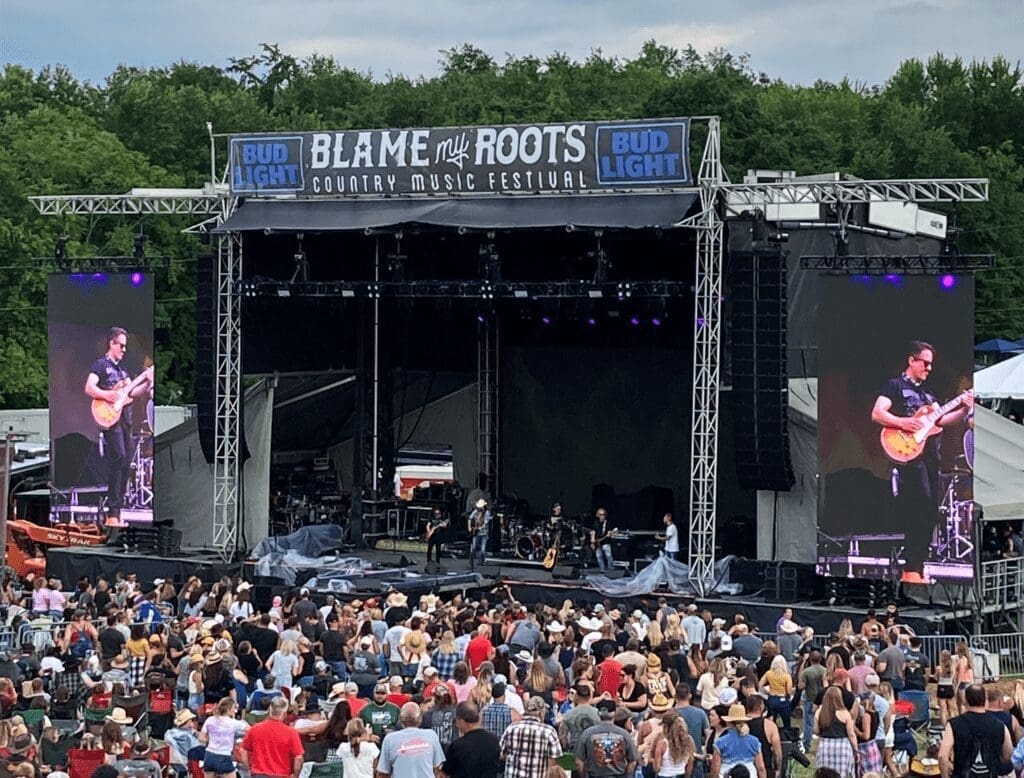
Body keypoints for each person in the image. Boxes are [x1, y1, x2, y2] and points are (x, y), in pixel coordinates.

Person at [870, 340, 973, 581]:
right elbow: (877, 413)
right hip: (908, 453)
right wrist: (904, 422)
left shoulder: (928, 396)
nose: (929, 368)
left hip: (929, 456)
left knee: (930, 509)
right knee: (920, 502)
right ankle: (912, 566)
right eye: (925, 363)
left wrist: (963, 409)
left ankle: (917, 565)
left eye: (931, 365)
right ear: (911, 360)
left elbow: (940, 422)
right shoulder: (894, 386)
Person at [83, 326, 153, 525]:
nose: (123, 349)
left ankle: (117, 508)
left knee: (125, 463)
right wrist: (107, 395)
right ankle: (112, 511)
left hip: (125, 420)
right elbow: (89, 387)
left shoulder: (123, 371)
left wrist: (147, 383)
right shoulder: (101, 365)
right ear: (111, 343)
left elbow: (132, 393)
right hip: (110, 419)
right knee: (119, 457)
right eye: (120, 345)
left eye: (125, 346)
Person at [938, 684, 1011, 778]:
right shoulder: (1000, 725)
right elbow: (1008, 754)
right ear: (985, 701)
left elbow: (942, 756)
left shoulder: (953, 724)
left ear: (966, 701)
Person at [238, 696, 304, 778]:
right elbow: (299, 758)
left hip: (258, 774)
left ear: (270, 710)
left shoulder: (255, 729)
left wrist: (249, 768)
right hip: (281, 775)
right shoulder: (291, 733)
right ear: (284, 713)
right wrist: (295, 775)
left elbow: (242, 750)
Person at [378, 702, 446, 778]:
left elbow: (383, 773)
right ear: (420, 718)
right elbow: (436, 767)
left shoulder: (390, 739)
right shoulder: (431, 735)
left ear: (400, 719)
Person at [500, 696, 562, 778]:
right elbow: (553, 762)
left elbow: (502, 755)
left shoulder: (511, 728)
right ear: (541, 713)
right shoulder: (549, 732)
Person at [576, 701, 640, 778]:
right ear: (615, 713)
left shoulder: (587, 734)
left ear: (598, 713)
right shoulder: (624, 734)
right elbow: (633, 762)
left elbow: (579, 762)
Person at [444, 701, 502, 778]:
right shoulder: (494, 740)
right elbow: (500, 765)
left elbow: (447, 770)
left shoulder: (458, 746)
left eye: (457, 722)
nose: (457, 725)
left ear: (462, 721)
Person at [813, 687, 858, 778]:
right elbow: (851, 734)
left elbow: (816, 731)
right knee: (843, 773)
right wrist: (856, 750)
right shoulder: (845, 713)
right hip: (842, 745)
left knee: (825, 773)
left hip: (825, 745)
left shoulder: (819, 712)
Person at [711, 704, 766, 778]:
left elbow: (715, 770)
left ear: (728, 722)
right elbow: (761, 768)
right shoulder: (754, 741)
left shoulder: (720, 742)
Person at [199, 697, 249, 778]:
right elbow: (250, 730)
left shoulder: (210, 720)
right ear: (229, 709)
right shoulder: (234, 723)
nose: (235, 710)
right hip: (224, 756)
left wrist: (213, 738)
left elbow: (201, 738)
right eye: (234, 708)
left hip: (209, 755)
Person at [468, 499, 492, 569]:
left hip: (484, 533)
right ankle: (471, 562)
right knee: (473, 547)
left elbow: (485, 523)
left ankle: (481, 561)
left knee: (483, 549)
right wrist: (469, 527)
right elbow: (469, 518)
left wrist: (480, 527)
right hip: (476, 533)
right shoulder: (475, 511)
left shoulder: (487, 513)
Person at [591, 508, 616, 572]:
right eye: (600, 514)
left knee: (608, 555)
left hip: (605, 541)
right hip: (597, 542)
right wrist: (593, 542)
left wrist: (611, 533)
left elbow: (613, 531)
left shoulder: (608, 522)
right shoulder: (595, 522)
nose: (602, 516)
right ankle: (602, 570)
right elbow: (593, 531)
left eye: (603, 514)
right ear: (597, 515)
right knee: (599, 556)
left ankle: (611, 569)